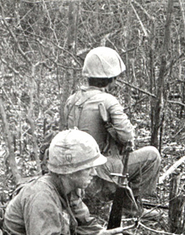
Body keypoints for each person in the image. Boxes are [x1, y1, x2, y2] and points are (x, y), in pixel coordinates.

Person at [63, 46, 161, 217]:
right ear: (111, 78)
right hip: (100, 172)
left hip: (74, 172)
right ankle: (130, 208)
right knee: (152, 156)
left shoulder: (72, 99)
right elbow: (127, 136)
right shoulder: (108, 100)